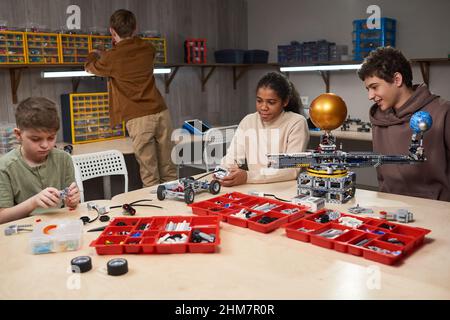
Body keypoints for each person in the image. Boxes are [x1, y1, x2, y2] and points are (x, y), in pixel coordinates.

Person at [85, 9, 176, 187]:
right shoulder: (148, 48)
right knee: (170, 169)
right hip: (162, 112)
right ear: (135, 28)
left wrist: (94, 54)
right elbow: (131, 55)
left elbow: (90, 67)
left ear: (112, 31)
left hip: (138, 118)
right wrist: (109, 53)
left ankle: (156, 213)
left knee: (150, 175)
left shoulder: (111, 58)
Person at [358, 46, 450, 201]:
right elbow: (382, 176)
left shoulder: (442, 112)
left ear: (397, 79)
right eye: (368, 89)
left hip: (437, 210)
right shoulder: (379, 119)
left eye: (374, 87)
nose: (370, 96)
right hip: (389, 208)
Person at [219, 72, 310, 187]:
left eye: (271, 102)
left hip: (284, 189)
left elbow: (291, 170)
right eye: (259, 101)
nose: (263, 107)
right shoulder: (248, 121)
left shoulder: (297, 122)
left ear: (285, 101)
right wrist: (223, 172)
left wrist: (248, 176)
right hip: (254, 186)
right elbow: (232, 157)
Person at [0, 97, 80, 224]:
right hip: (23, 232)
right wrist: (33, 202)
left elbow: (71, 205)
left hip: (60, 226)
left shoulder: (63, 159)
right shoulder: (4, 167)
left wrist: (73, 200)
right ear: (18, 135)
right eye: (36, 139)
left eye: (51, 137)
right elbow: (2, 217)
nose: (45, 145)